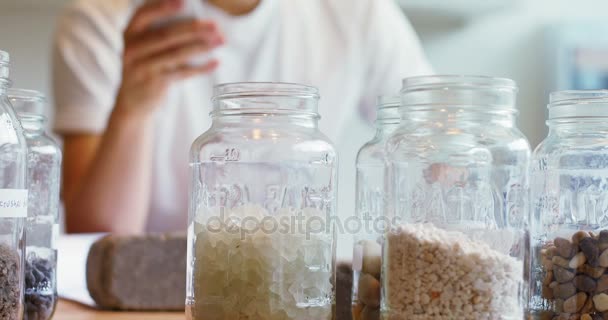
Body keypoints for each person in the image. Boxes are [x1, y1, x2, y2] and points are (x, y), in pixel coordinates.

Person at [53, 0, 432, 234]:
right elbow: (97, 238)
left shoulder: (358, 13)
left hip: (292, 284)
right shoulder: (101, 22)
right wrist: (132, 108)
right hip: (145, 294)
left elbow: (436, 152)